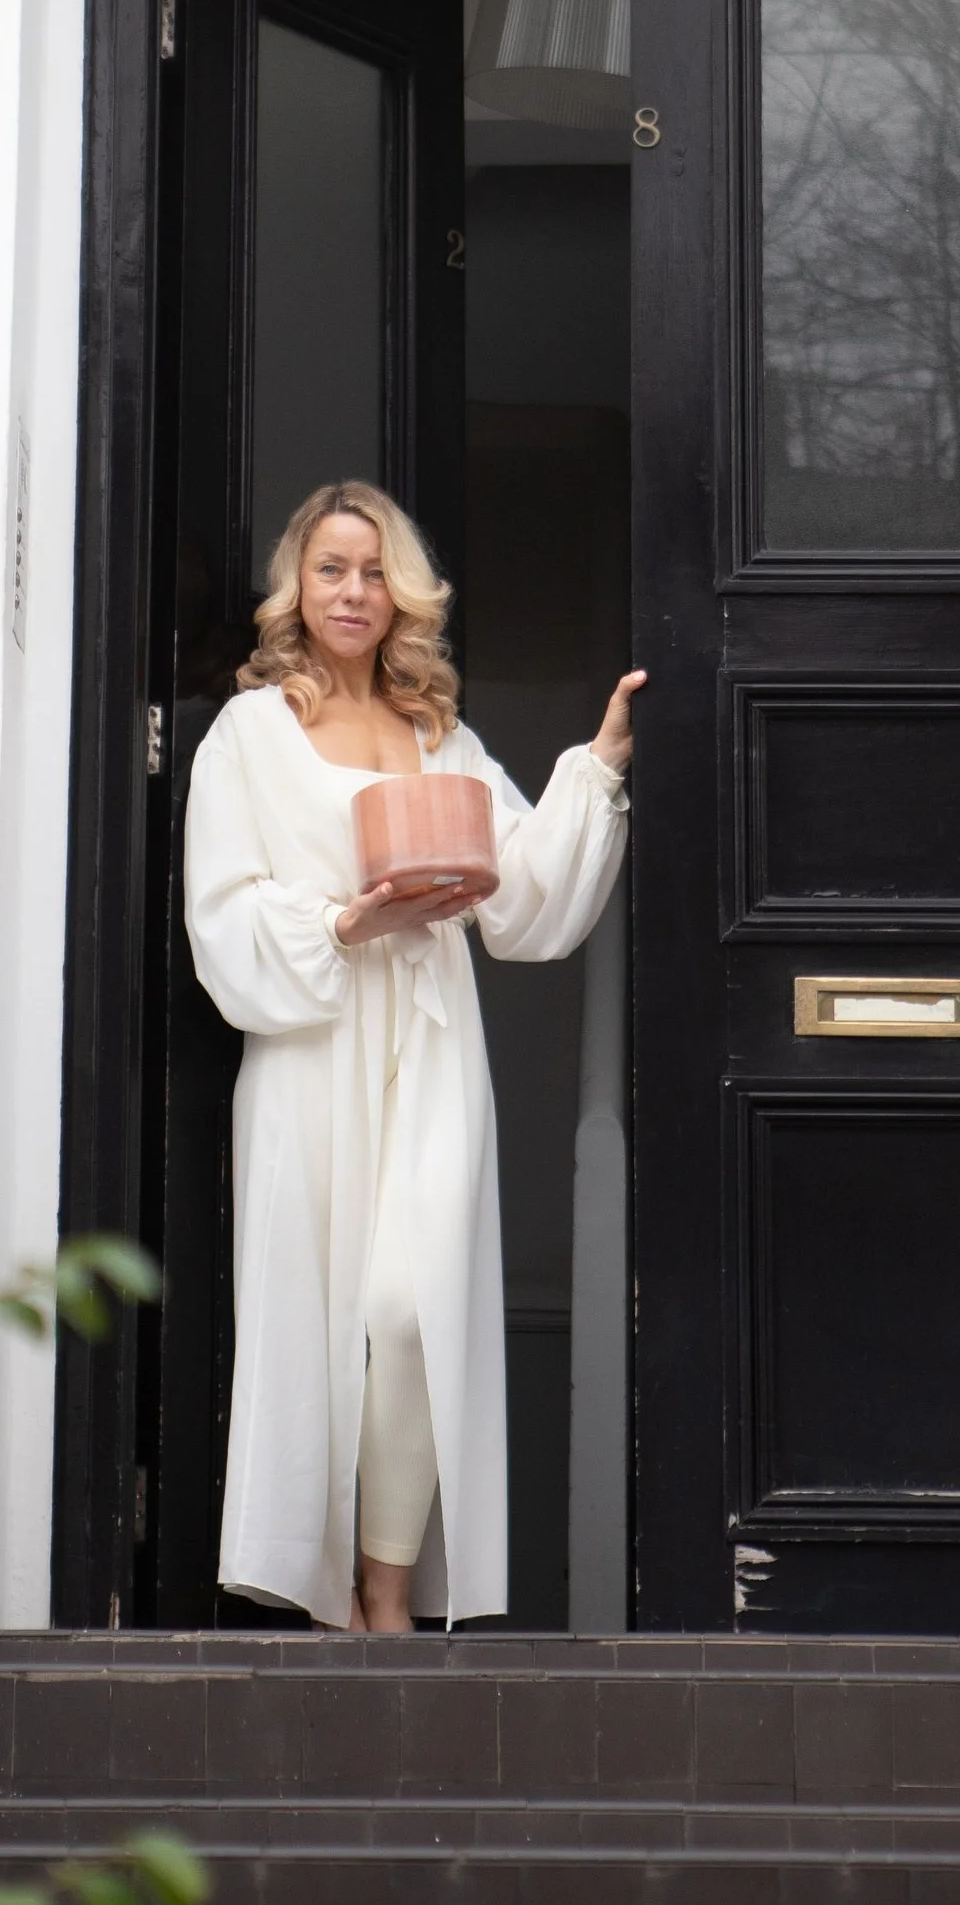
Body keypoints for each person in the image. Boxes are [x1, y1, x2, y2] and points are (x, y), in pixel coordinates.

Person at [183, 477, 641, 1632]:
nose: (353, 590)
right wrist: (342, 925)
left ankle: (386, 1586)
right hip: (313, 1043)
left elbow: (525, 896)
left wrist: (595, 769)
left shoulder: (441, 738)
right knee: (314, 1310)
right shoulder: (251, 734)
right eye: (332, 567)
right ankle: (334, 1586)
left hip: (431, 1039)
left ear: (404, 595)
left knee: (408, 1306)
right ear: (297, 586)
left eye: (375, 569)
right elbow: (220, 914)